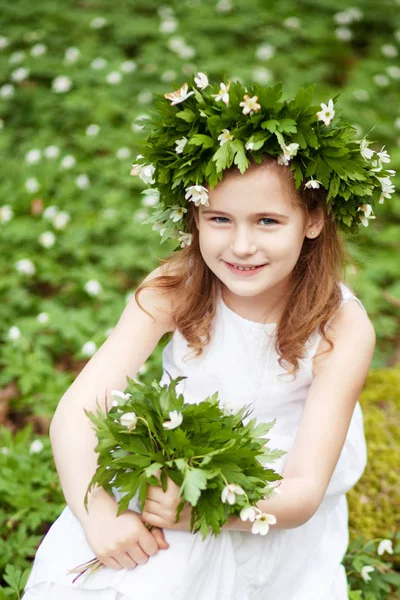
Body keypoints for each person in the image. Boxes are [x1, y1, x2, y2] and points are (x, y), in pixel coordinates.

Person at [22, 75, 394, 600]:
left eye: (267, 220)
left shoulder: (339, 325)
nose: (241, 246)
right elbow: (77, 410)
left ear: (312, 219)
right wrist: (100, 517)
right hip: (177, 471)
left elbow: (304, 491)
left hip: (266, 507)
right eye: (219, 218)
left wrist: (202, 510)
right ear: (194, 216)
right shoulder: (174, 288)